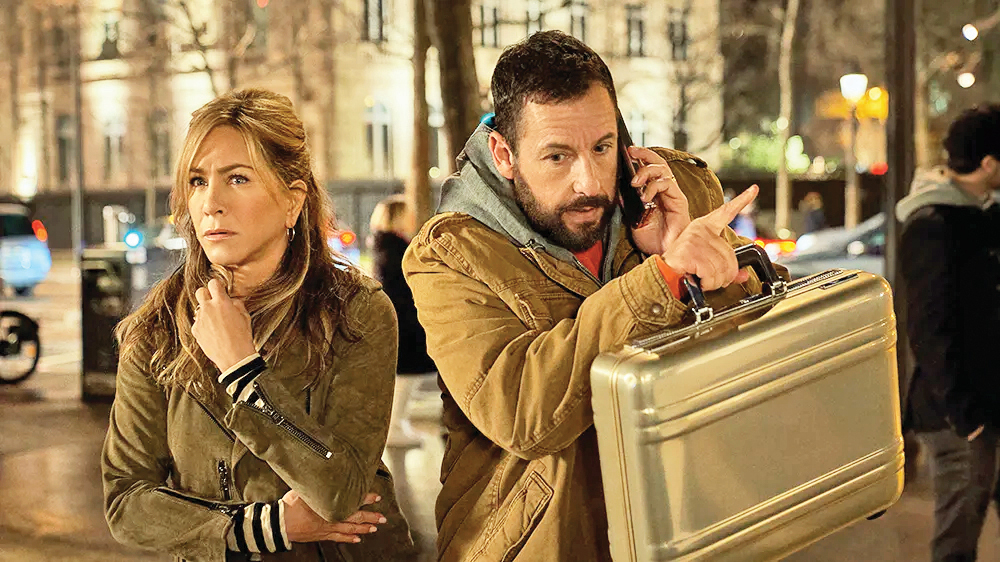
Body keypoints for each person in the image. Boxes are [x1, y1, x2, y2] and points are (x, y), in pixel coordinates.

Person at [402, 31, 773, 561]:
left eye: (602, 147)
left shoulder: (674, 194)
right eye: (557, 156)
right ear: (504, 154)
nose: (589, 182)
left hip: (683, 528)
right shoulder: (451, 254)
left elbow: (760, 352)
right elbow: (522, 412)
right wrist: (662, 277)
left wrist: (700, 272)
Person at [102, 89, 415, 562]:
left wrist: (245, 373)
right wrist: (264, 527)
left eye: (238, 178)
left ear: (292, 201)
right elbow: (126, 501)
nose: (211, 203)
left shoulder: (356, 312)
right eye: (197, 181)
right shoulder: (157, 328)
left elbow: (341, 490)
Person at [898, 104, 1000, 562]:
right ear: (989, 164)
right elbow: (928, 329)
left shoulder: (979, 215)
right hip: (956, 416)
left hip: (983, 406)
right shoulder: (933, 225)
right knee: (957, 542)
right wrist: (967, 419)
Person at [369, 195, 437, 448]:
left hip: (404, 320)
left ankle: (396, 424)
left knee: (406, 374)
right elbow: (398, 288)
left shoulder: (389, 244)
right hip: (404, 322)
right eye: (407, 213)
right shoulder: (394, 248)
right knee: (404, 375)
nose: (412, 217)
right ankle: (393, 426)